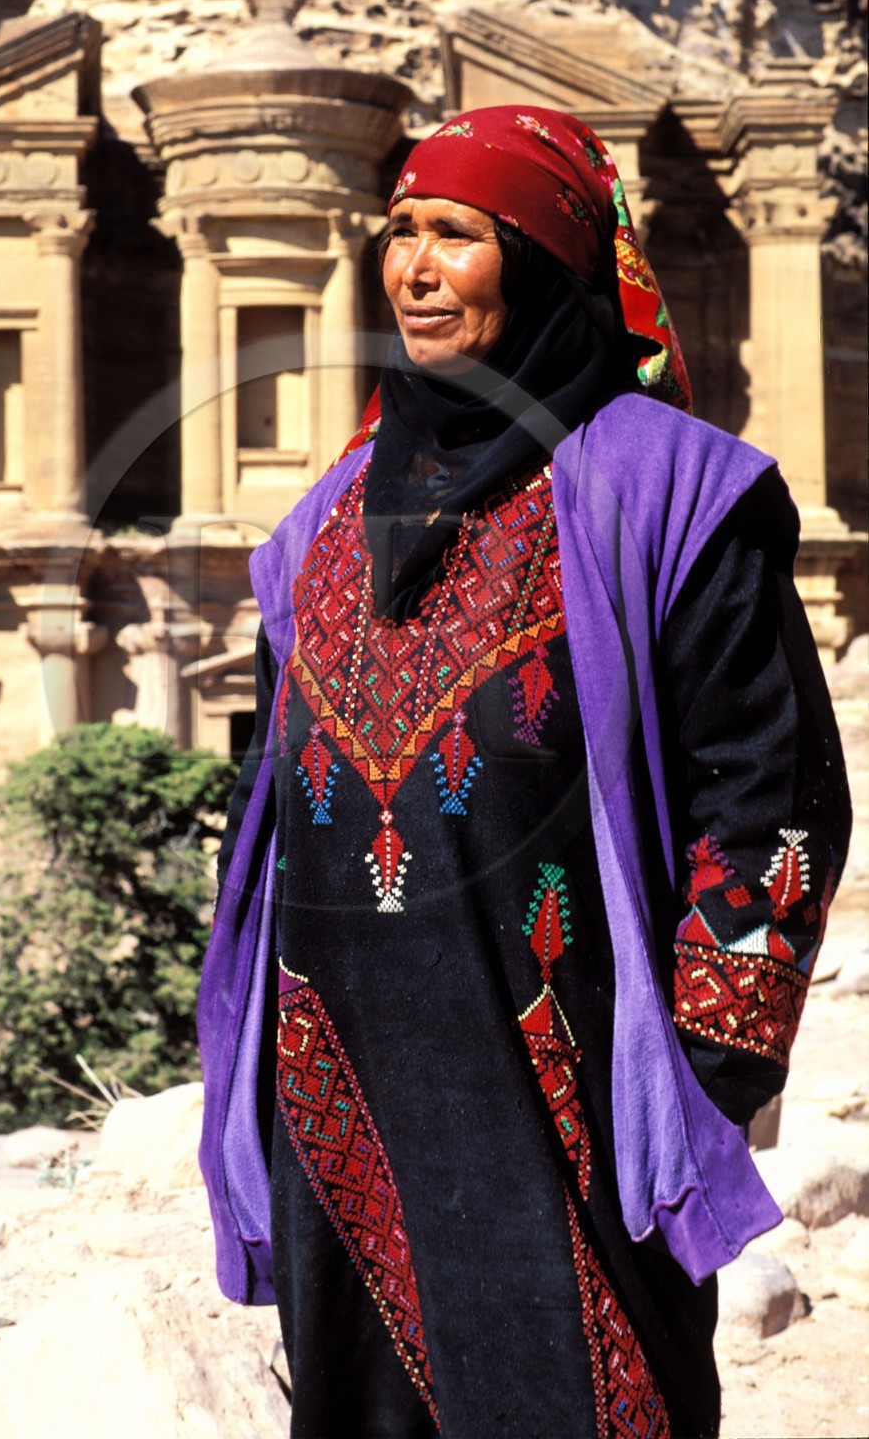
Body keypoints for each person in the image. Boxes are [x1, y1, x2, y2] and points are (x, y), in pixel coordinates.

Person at [197, 106, 851, 1439]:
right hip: (343, 1098)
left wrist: (705, 1065)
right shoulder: (321, 522)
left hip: (570, 1092)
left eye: (456, 234)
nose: (414, 269)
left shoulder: (676, 491)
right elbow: (273, 804)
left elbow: (770, 794)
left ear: (544, 262)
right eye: (401, 234)